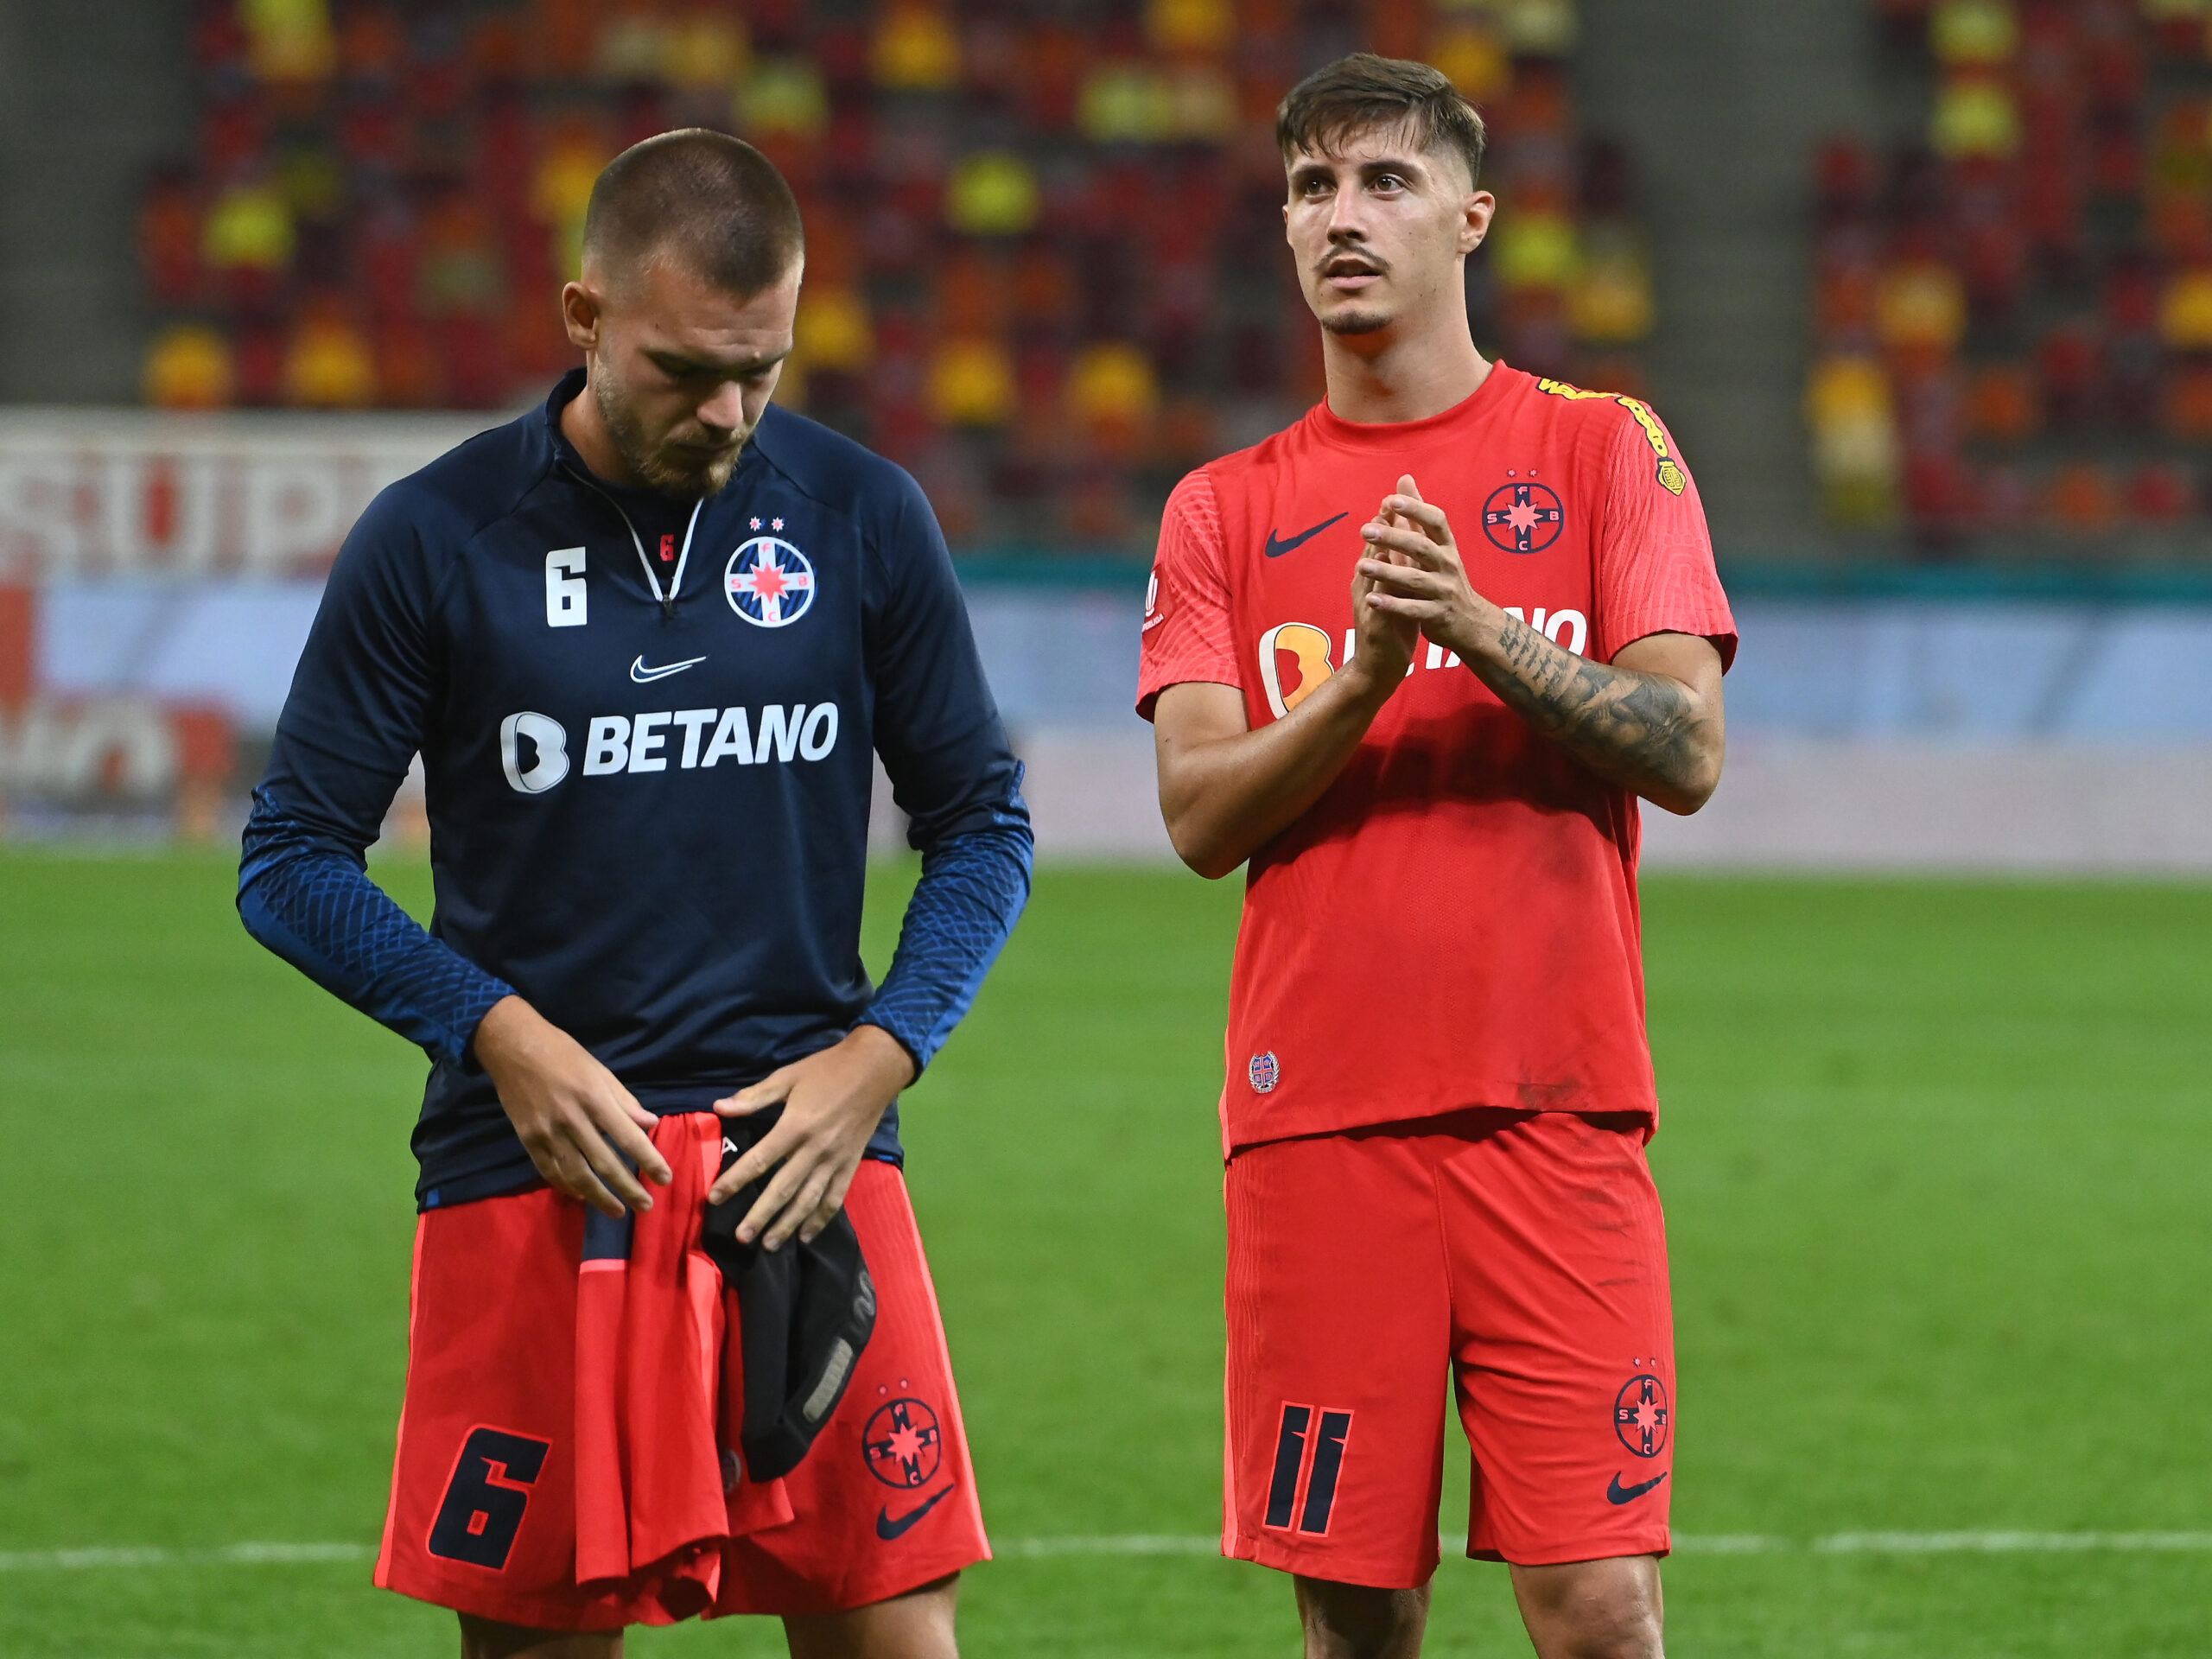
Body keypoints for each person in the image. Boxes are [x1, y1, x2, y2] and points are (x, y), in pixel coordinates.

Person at [238, 130, 1030, 1659]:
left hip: (807, 1161)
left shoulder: (863, 517)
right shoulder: (436, 536)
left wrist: (884, 1057)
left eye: (766, 368)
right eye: (683, 369)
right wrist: (495, 1036)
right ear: (583, 317)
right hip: (537, 1172)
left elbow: (982, 824)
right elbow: (289, 862)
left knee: (898, 1637)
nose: (728, 414)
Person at [1137, 55, 1736, 1659]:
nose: (1346, 217)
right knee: (1356, 1619)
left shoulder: (1606, 450)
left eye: (1387, 182)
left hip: (1559, 1114)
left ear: (1471, 218)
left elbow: (1686, 750)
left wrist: (1474, 627)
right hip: (1318, 1129)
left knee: (1601, 1606)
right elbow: (1196, 818)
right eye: (1314, 188)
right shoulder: (1219, 510)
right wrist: (1364, 678)